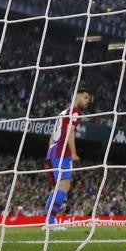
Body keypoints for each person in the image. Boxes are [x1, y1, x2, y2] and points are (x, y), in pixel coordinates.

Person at [43, 88, 91, 231]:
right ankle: (50, 222)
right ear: (76, 96)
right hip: (62, 153)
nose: (88, 101)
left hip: (52, 153)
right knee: (64, 186)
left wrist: (50, 152)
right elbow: (70, 132)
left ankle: (48, 220)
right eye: (86, 97)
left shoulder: (63, 112)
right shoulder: (75, 112)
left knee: (56, 188)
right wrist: (74, 153)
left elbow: (52, 136)